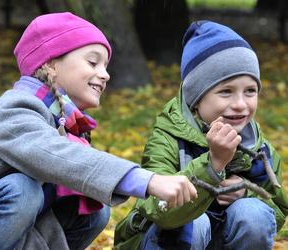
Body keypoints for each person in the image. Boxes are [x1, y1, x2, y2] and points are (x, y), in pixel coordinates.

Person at [0, 12, 198, 250]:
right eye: (92, 62)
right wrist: (145, 180)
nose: (105, 74)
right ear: (50, 65)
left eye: (105, 66)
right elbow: (58, 156)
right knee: (22, 191)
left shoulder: (62, 119)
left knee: (91, 205)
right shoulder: (14, 109)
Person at [114, 20, 288, 250]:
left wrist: (246, 192)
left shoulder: (258, 146)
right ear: (196, 99)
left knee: (254, 215)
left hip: (221, 238)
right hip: (165, 239)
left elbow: (276, 212)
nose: (240, 104)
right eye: (225, 91)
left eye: (250, 91)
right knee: (194, 224)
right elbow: (160, 210)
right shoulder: (167, 138)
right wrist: (213, 165)